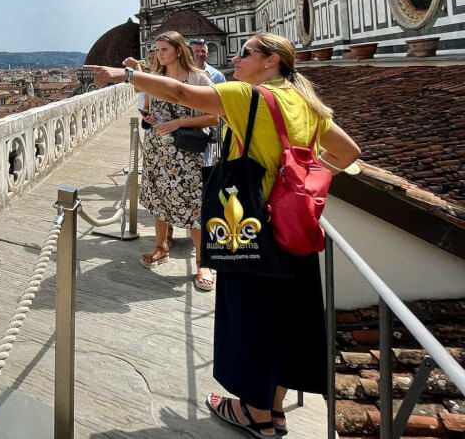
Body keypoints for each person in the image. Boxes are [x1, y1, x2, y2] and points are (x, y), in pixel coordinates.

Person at [86, 33, 361, 438]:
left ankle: (254, 414)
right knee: (286, 323)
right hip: (296, 231)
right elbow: (348, 152)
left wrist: (125, 75)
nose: (235, 57)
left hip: (248, 229)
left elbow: (181, 91)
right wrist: (302, 182)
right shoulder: (306, 103)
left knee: (249, 320)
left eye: (245, 52)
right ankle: (275, 409)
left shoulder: (249, 97)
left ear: (271, 62)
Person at [133, 32, 217, 291]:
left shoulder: (199, 79)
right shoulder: (155, 79)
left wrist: (178, 122)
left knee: (194, 207)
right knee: (159, 199)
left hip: (186, 153)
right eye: (157, 50)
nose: (159, 54)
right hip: (158, 150)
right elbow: (149, 110)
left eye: (164, 49)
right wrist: (150, 119)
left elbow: (214, 117)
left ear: (179, 50)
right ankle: (161, 247)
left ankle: (203, 262)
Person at [190, 38, 226, 166]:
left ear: (208, 53)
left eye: (203, 51)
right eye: (197, 51)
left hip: (208, 125)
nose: (200, 54)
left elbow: (223, 101)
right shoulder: (183, 73)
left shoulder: (217, 76)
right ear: (190, 53)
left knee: (206, 161)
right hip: (186, 124)